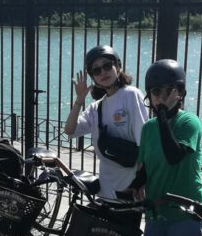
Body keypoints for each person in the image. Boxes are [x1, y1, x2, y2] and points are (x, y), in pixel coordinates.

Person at [129, 59, 202, 236]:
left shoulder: (189, 123)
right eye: (155, 92)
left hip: (185, 213)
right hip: (156, 212)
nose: (161, 97)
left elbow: (174, 155)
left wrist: (162, 116)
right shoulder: (149, 128)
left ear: (180, 92)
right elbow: (147, 165)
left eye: (168, 91)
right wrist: (137, 184)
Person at [63, 45, 147, 199]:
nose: (102, 72)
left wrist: (141, 182)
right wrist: (79, 101)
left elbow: (144, 142)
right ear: (93, 77)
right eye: (96, 70)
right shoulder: (97, 107)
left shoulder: (131, 95)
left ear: (118, 66)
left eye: (107, 66)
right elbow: (69, 130)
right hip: (106, 187)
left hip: (129, 186)